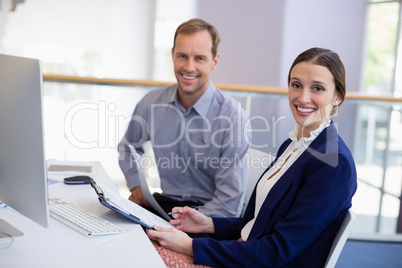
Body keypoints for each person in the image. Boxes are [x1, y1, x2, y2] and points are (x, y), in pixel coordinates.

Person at [146, 47, 358, 267]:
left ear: (338, 97)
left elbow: (277, 251)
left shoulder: (333, 163)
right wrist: (208, 225)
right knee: (148, 244)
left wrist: (189, 247)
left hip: (263, 262)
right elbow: (260, 223)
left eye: (317, 88)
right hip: (248, 254)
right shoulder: (295, 144)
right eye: (296, 85)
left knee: (147, 257)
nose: (303, 97)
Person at [118, 18, 250, 217]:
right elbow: (128, 147)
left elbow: (229, 204)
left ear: (214, 61)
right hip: (165, 206)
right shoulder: (151, 103)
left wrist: (188, 222)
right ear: (172, 55)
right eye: (182, 56)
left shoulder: (232, 116)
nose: (189, 67)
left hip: (211, 215)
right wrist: (136, 184)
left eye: (199, 58)